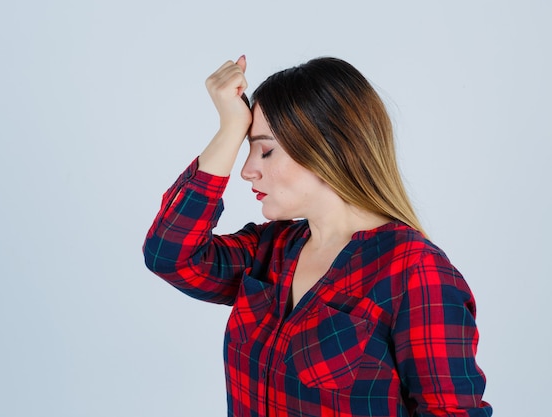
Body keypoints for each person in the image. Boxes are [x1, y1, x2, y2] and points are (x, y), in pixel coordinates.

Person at [143, 55, 492, 417]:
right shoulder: (270, 250)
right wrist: (230, 129)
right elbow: (170, 255)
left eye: (265, 150)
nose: (247, 170)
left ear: (328, 149)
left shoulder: (414, 273)